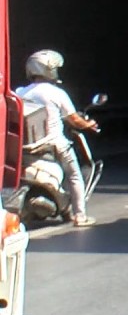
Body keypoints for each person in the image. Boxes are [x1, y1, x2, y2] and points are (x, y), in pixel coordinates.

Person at [15, 50, 97, 227]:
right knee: (74, 175)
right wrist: (88, 125)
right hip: (55, 145)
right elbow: (74, 119)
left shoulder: (20, 93)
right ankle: (80, 216)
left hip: (26, 148)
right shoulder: (56, 93)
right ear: (48, 70)